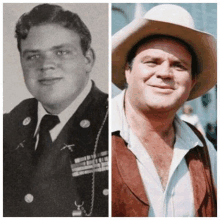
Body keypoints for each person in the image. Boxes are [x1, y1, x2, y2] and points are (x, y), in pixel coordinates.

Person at [112, 4, 217, 217]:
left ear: (192, 81)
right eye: (152, 62)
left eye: (179, 66)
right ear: (128, 70)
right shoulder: (90, 135)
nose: (165, 73)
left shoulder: (203, 148)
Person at [3, 4, 108, 217]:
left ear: (88, 59)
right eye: (33, 56)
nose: (46, 65)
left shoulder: (113, 122)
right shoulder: (8, 127)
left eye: (61, 52)